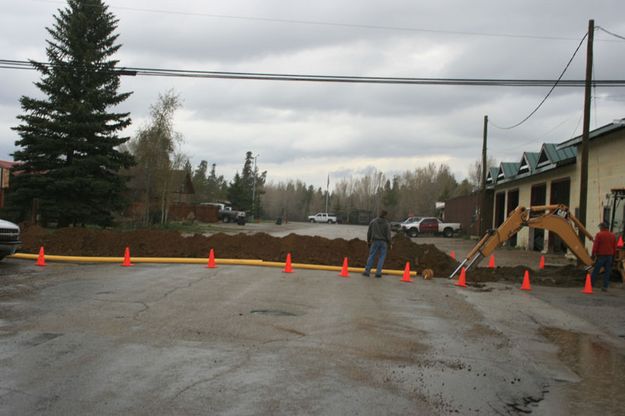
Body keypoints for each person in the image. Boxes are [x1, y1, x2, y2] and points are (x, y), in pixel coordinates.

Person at [363, 210, 392, 278]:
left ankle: (367, 271)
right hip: (383, 242)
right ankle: (378, 273)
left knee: (371, 255)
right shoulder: (387, 224)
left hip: (375, 241)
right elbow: (388, 235)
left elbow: (369, 232)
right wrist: (390, 244)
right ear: (386, 215)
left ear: (379, 214)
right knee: (382, 257)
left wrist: (368, 241)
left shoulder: (373, 222)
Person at [590, 221, 617, 291]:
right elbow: (614, 247)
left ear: (602, 227)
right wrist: (613, 257)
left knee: (595, 271)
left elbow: (595, 246)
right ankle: (605, 287)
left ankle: (590, 285)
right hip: (610, 256)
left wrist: (593, 255)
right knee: (607, 272)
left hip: (601, 256)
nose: (599, 228)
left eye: (600, 227)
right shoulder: (613, 235)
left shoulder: (599, 235)